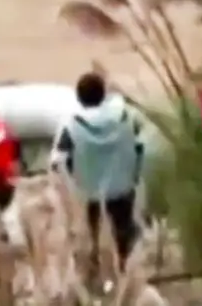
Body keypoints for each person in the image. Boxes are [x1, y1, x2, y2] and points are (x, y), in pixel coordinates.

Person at [50, 71, 144, 268]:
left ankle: (98, 269)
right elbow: (138, 142)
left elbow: (57, 160)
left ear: (79, 98)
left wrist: (71, 186)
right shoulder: (125, 115)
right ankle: (125, 267)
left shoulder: (72, 124)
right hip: (122, 187)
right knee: (123, 231)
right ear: (104, 95)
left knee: (94, 236)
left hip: (90, 193)